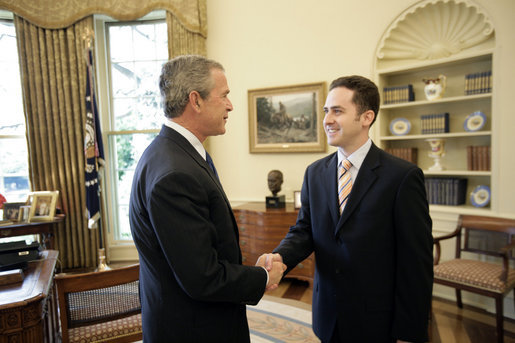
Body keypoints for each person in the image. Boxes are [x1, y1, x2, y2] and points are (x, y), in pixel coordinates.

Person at [261, 75, 433, 343]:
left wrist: (409, 332)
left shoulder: (403, 177)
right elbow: (305, 230)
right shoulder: (315, 173)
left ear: (366, 117)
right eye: (326, 111)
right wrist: (281, 257)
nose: (327, 120)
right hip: (328, 313)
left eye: (337, 111)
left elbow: (416, 263)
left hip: (378, 320)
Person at [129, 55, 285, 343]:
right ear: (195, 101)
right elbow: (203, 278)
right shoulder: (174, 174)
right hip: (192, 329)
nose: (230, 105)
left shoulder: (178, 153)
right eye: (224, 95)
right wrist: (262, 277)